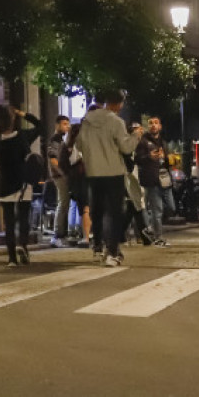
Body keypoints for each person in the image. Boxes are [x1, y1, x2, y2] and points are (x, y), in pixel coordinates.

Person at [76, 89, 143, 266]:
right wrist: (136, 136)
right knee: (114, 213)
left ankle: (97, 245)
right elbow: (126, 147)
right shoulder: (116, 121)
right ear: (118, 104)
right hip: (113, 171)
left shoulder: (86, 121)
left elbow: (79, 144)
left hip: (93, 172)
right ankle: (112, 251)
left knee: (97, 211)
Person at [0, 106, 44, 267]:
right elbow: (40, 126)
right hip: (23, 182)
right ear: (13, 119)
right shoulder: (22, 137)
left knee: (9, 221)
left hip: (6, 184)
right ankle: (22, 244)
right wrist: (23, 114)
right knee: (23, 218)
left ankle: (11, 258)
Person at [135, 116, 175, 247]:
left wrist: (168, 158)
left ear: (160, 126)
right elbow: (137, 159)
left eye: (156, 123)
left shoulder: (163, 142)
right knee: (157, 210)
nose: (153, 125)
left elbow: (168, 161)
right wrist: (148, 157)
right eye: (151, 123)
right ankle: (158, 238)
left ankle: (149, 229)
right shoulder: (143, 141)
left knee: (171, 207)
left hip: (165, 179)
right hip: (151, 179)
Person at [47, 115, 72, 248]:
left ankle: (60, 234)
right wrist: (63, 173)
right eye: (64, 124)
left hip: (60, 175)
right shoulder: (55, 140)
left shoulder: (61, 140)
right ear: (57, 125)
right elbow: (53, 159)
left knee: (64, 203)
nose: (66, 126)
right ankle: (57, 235)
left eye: (67, 124)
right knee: (63, 203)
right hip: (59, 176)